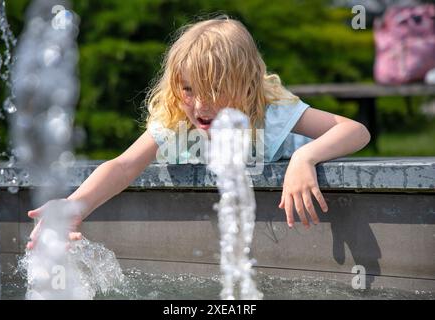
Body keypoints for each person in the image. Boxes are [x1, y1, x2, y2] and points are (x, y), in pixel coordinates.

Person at [26, 16, 370, 249]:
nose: (200, 103)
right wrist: (76, 206)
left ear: (244, 85)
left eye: (214, 88)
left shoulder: (270, 112)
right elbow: (124, 166)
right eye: (189, 88)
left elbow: (355, 131)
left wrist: (304, 157)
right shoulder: (178, 115)